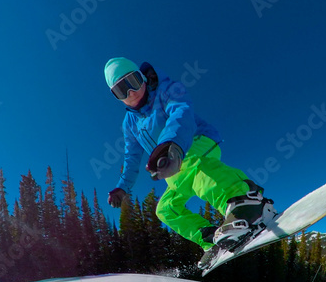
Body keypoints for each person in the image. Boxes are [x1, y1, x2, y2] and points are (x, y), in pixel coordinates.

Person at [103, 57, 275, 267]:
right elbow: (131, 157)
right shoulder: (129, 124)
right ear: (117, 97)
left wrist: (172, 144)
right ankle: (210, 240)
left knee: (190, 164)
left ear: (143, 78)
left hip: (197, 142)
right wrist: (122, 187)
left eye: (133, 81)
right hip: (173, 166)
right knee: (165, 209)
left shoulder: (166, 89)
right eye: (121, 90)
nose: (131, 92)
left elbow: (181, 112)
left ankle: (246, 203)